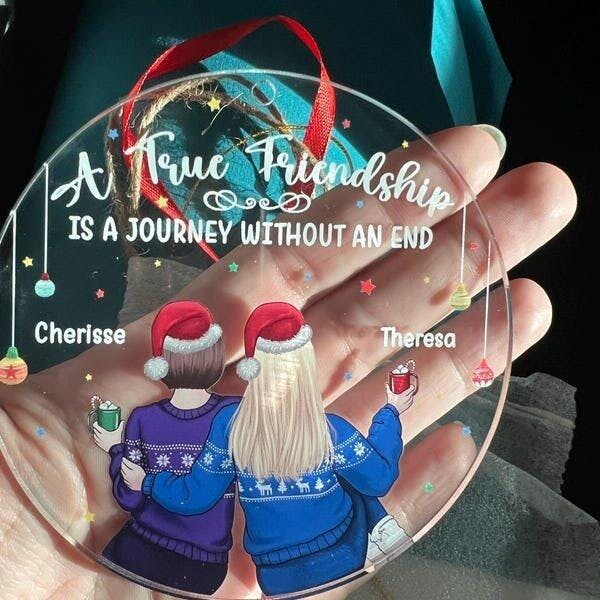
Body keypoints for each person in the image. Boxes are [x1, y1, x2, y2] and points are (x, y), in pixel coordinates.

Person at [121, 302, 415, 595]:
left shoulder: (230, 424)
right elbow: (379, 479)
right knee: (353, 476)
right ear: (306, 365)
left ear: (253, 367)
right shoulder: (329, 430)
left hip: (275, 575)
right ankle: (381, 527)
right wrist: (391, 412)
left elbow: (195, 496)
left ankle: (380, 529)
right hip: (342, 554)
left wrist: (147, 482)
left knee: (347, 472)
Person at [92, 300, 240, 594]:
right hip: (207, 565)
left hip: (142, 547)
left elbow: (129, 497)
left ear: (161, 364)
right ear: (216, 357)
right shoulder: (234, 411)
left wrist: (115, 448)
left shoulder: (143, 418)